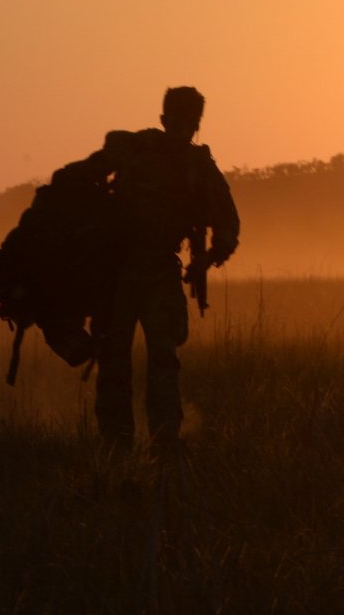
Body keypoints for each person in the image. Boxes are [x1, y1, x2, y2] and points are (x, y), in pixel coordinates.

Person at [60, 85, 239, 450]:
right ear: (163, 119)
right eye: (178, 122)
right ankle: (116, 444)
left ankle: (164, 439)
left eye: (191, 124)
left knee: (164, 358)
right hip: (117, 272)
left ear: (197, 125)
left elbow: (228, 225)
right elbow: (81, 176)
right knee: (113, 359)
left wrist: (204, 261)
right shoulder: (133, 148)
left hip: (160, 271)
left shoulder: (199, 166)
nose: (184, 130)